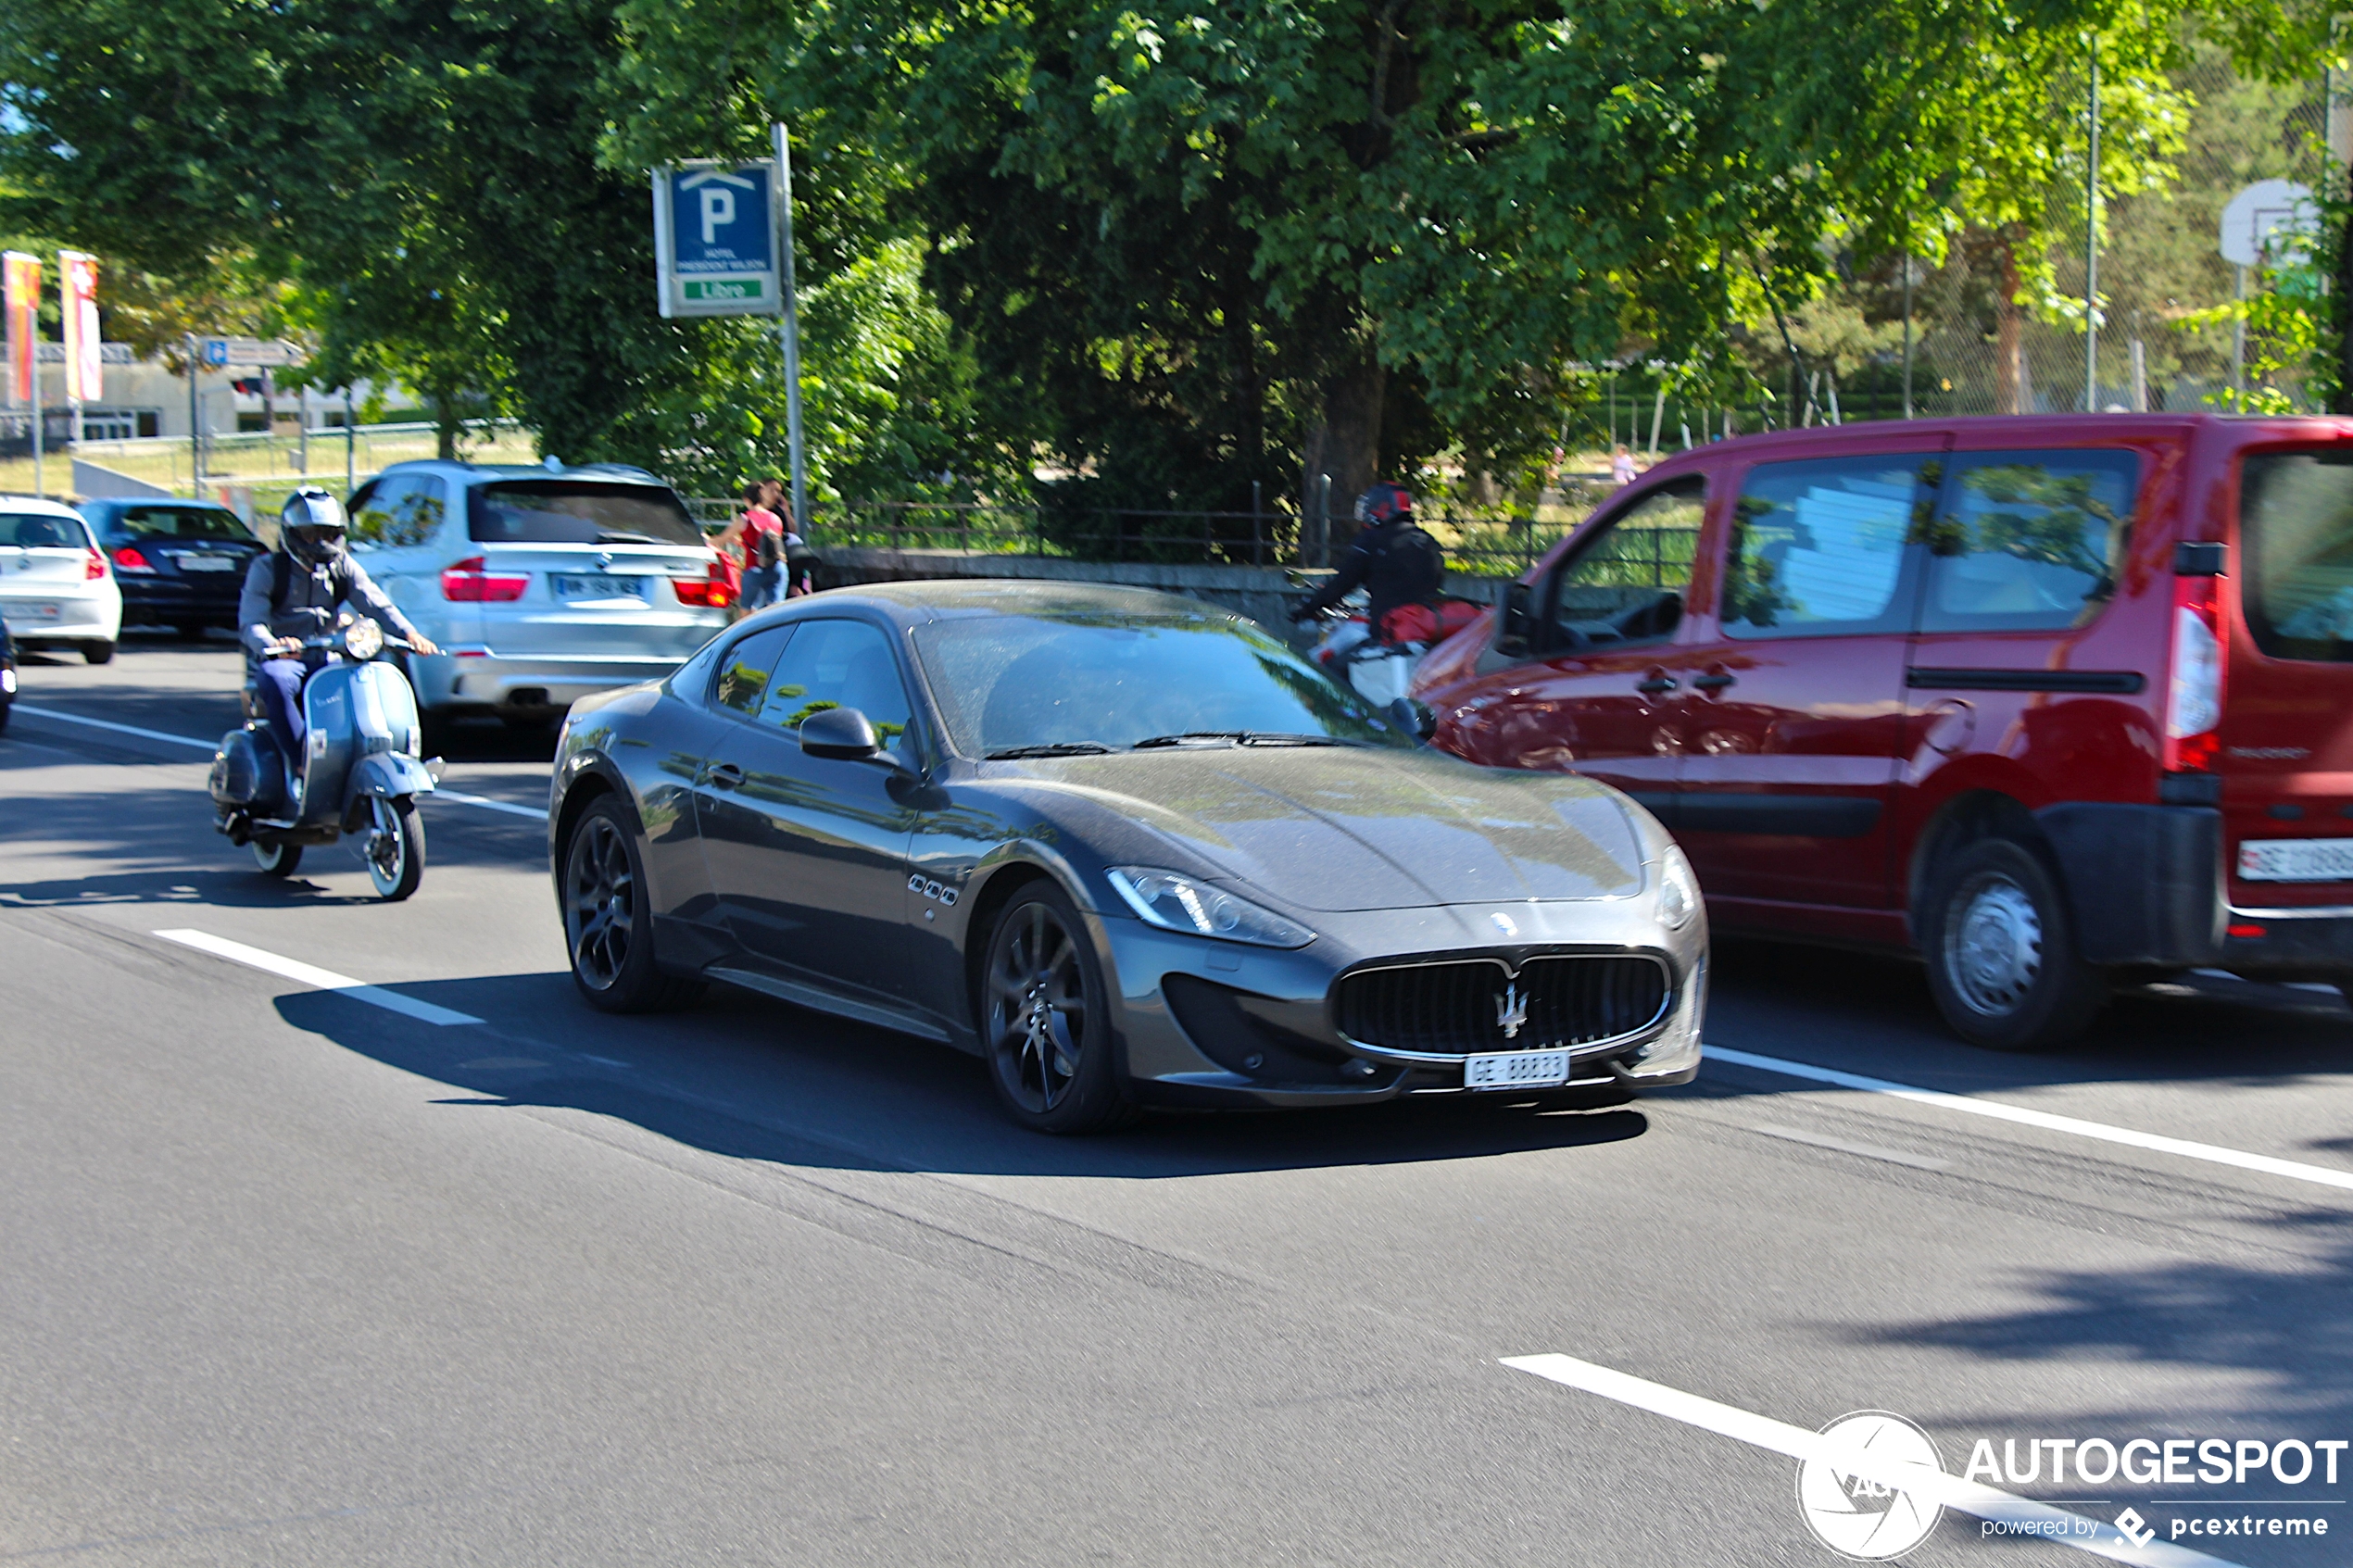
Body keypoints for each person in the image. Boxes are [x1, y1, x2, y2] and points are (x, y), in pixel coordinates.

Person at [238, 488, 438, 775]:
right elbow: (251, 623)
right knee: (275, 679)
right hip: (286, 661)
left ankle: (386, 754)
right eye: (311, 534)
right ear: (292, 533)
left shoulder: (342, 565)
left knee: (372, 675)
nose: (320, 542)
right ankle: (301, 763)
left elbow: (375, 602)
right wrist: (275, 645)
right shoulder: (268, 568)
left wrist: (410, 634)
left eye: (330, 534)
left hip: (330, 658)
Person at [1290, 481, 1444, 643]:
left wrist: (1306, 609)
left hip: (1388, 630)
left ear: (1382, 508)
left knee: (1330, 660)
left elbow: (1343, 582)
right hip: (1427, 630)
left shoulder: (1372, 541)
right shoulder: (1428, 541)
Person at [724, 480, 784, 615]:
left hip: (754, 569)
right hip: (777, 568)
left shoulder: (745, 518)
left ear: (746, 499)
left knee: (746, 610)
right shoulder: (775, 518)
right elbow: (767, 542)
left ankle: (747, 635)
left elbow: (721, 539)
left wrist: (708, 539)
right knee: (776, 611)